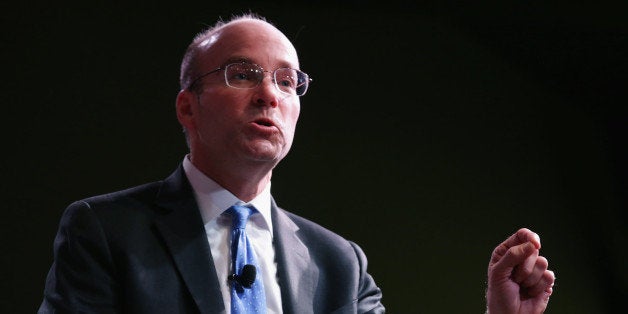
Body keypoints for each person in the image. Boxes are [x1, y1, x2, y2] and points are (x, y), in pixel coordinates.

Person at [38, 13, 554, 314]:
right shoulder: (105, 232)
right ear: (187, 106)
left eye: (287, 81)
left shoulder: (340, 264)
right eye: (243, 74)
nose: (269, 93)